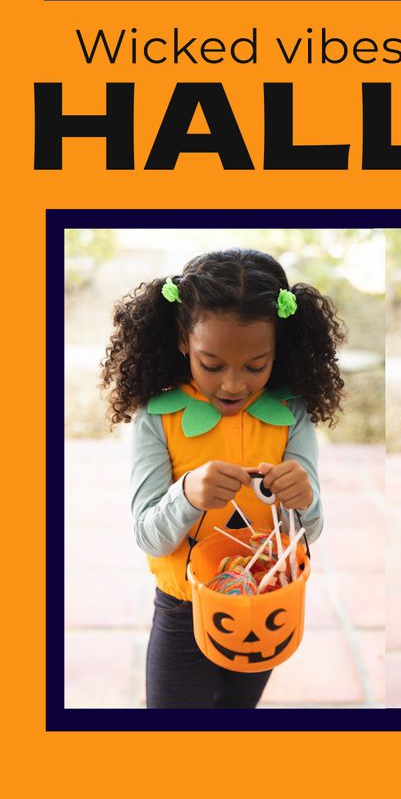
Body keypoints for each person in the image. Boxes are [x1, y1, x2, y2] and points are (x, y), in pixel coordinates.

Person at [102, 247, 345, 708]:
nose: (233, 385)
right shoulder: (157, 418)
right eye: (211, 364)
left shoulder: (291, 414)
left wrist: (304, 499)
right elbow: (149, 537)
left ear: (280, 349)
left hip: (266, 601)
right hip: (182, 610)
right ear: (181, 339)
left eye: (256, 366)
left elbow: (308, 532)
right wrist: (187, 494)